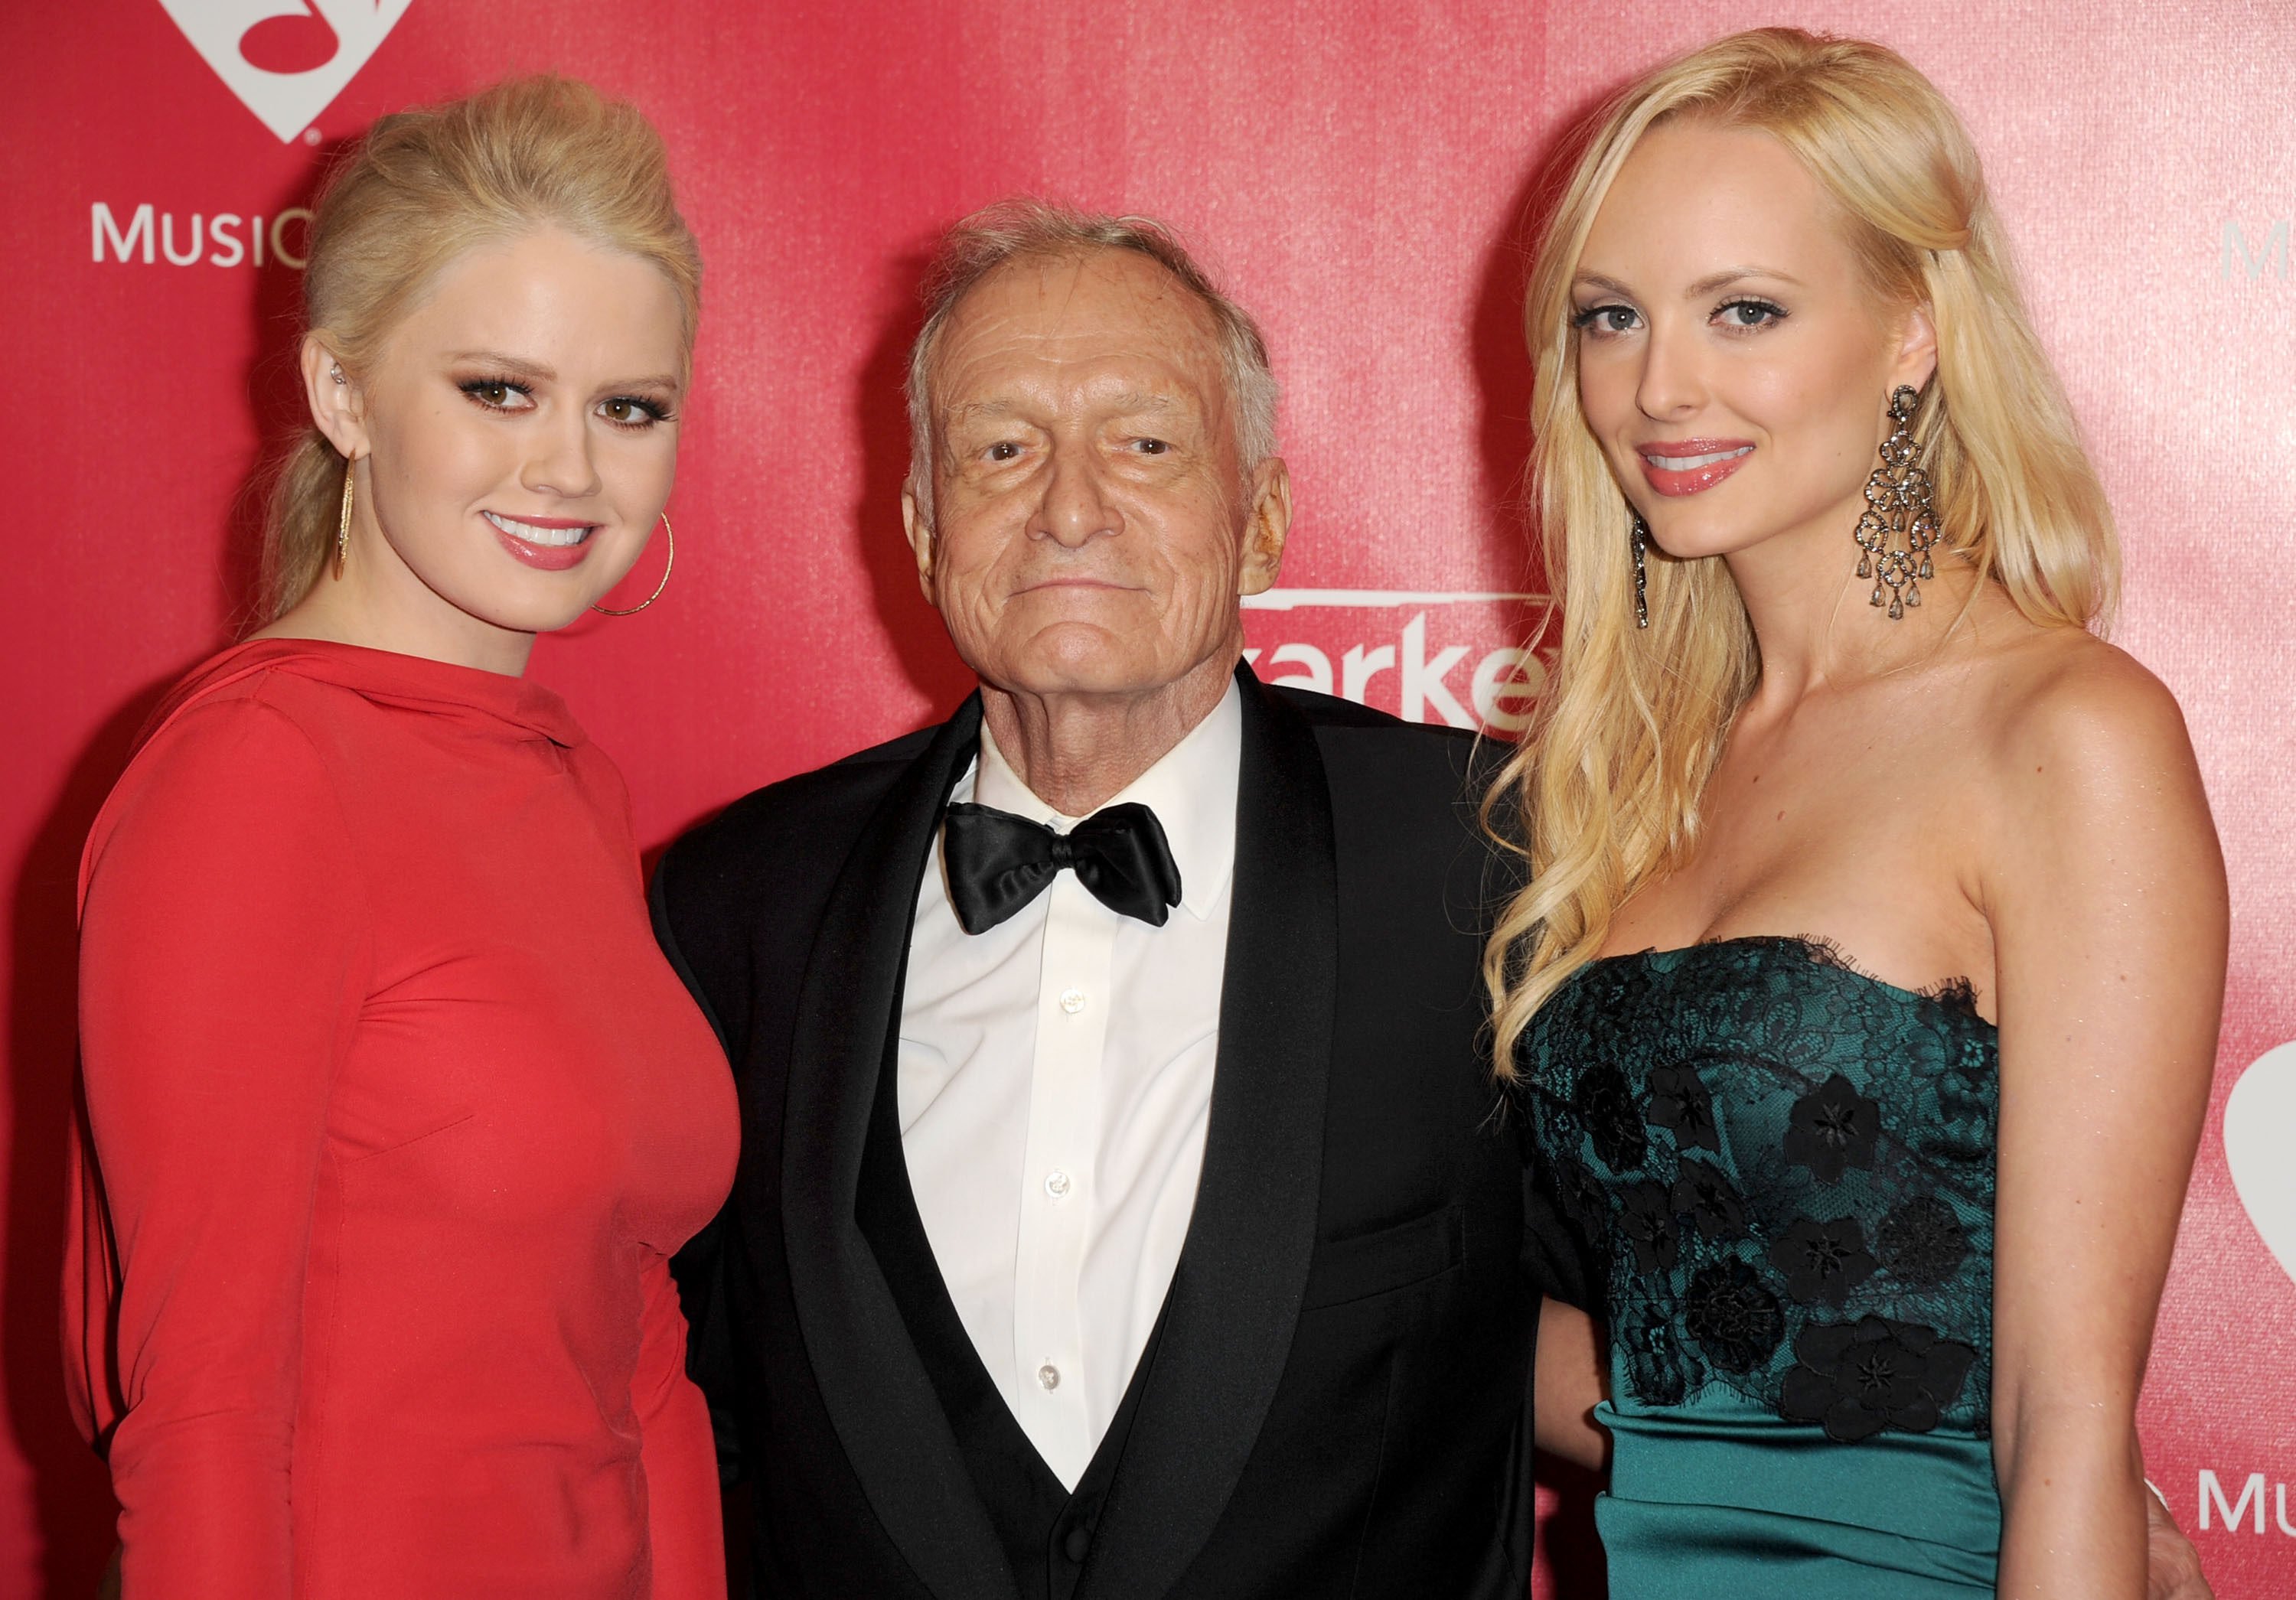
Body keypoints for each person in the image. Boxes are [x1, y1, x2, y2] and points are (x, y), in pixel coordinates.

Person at [651, 200, 1572, 1598]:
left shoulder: (1495, 860)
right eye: (1002, 449)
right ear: (921, 526)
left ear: (1259, 521)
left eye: (1145, 446)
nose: (1068, 506)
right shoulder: (741, 904)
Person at [1489, 29, 2228, 1600]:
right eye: (1610, 316)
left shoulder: (2065, 732)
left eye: (1743, 310)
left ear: (1912, 330)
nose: (1658, 384)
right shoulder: (1635, 772)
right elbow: (1660, 1344)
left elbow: (2065, 1422)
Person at [65, 77, 736, 1598]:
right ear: (344, 394)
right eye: (499, 390)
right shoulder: (259, 775)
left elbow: (640, 1356)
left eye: (627, 406)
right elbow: (203, 1411)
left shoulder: (567, 779)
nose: (569, 467)